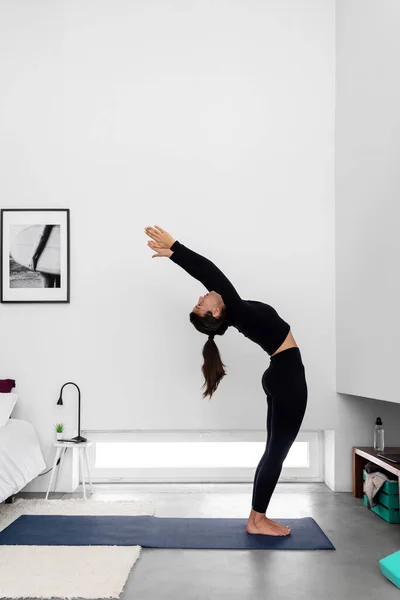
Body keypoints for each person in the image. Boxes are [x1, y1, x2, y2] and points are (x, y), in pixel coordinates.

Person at [144, 225, 308, 537]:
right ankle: (257, 520)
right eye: (200, 304)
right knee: (276, 452)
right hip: (286, 378)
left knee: (273, 451)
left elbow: (210, 279)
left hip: (281, 374)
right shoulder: (240, 312)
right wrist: (176, 248)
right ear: (216, 312)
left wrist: (173, 255)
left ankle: (257, 518)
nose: (201, 297)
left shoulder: (238, 313)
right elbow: (211, 274)